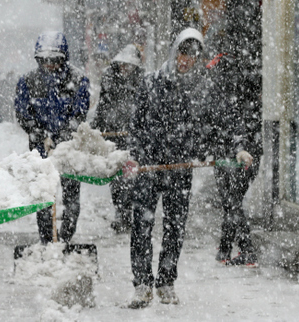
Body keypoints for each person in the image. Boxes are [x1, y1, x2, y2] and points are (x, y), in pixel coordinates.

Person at [126, 28, 208, 308]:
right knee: (141, 226)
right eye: (183, 54)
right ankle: (142, 284)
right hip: (148, 167)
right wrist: (136, 156)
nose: (186, 60)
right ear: (174, 52)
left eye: (192, 56)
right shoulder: (150, 83)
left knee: (175, 228)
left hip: (180, 170)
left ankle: (166, 282)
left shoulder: (199, 89)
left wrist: (203, 149)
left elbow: (206, 129)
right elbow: (135, 127)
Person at [15, 31, 90, 244]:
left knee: (71, 195)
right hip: (40, 149)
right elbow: (22, 112)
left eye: (54, 60)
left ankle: (65, 237)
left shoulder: (77, 80)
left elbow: (79, 113)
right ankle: (47, 239)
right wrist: (38, 133)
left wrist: (63, 136)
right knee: (43, 195)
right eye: (45, 60)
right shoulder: (28, 81)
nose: (49, 64)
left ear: (63, 58)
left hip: (69, 149)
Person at [205, 52, 262, 268]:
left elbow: (233, 129)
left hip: (236, 158)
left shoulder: (226, 96)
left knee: (232, 203)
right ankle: (225, 250)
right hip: (236, 156)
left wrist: (238, 149)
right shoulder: (240, 92)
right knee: (231, 203)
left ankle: (247, 251)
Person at [90, 44, 144, 234]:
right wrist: (97, 129)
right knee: (116, 176)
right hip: (114, 134)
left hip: (133, 135)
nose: (125, 69)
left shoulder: (142, 82)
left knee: (132, 176)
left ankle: (132, 213)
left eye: (129, 66)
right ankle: (121, 212)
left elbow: (145, 109)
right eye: (122, 65)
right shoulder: (110, 79)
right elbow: (103, 106)